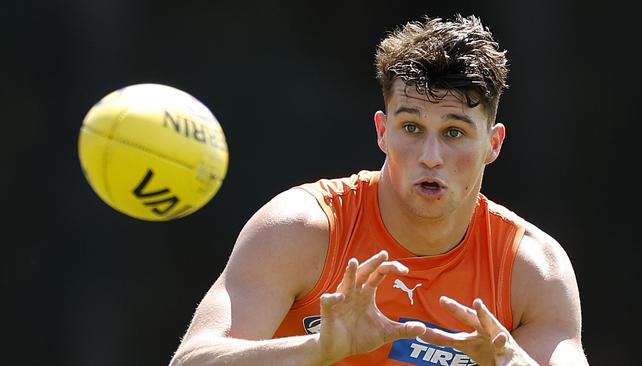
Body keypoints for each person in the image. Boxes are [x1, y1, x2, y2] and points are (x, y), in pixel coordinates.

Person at [169, 14, 588, 366]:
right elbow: (191, 360)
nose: (430, 155)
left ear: (492, 144)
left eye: (454, 132)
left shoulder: (531, 270)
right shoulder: (302, 228)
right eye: (411, 128)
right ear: (382, 132)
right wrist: (317, 348)